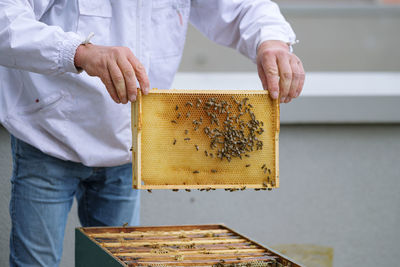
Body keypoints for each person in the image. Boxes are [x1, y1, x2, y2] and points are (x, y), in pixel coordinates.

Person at [0, 0, 305, 266]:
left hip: (128, 146)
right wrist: (79, 51)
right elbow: (6, 19)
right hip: (49, 138)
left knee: (118, 262)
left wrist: (272, 41)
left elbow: (241, 7)